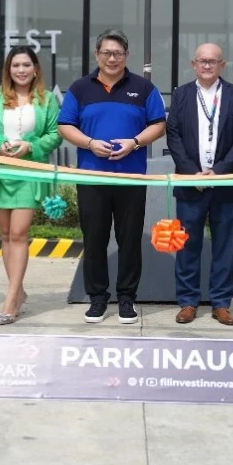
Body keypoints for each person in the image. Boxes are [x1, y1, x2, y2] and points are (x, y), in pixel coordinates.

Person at [58, 29, 166, 325]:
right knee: (94, 239)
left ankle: (127, 298)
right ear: (97, 55)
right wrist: (90, 143)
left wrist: (136, 142)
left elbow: (159, 124)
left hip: (131, 178)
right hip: (92, 177)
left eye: (118, 53)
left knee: (129, 239)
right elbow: (65, 125)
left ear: (126, 56)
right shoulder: (80, 89)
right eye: (106, 52)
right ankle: (97, 299)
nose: (112, 58)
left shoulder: (143, 88)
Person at [0, 46, 61, 325]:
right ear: (8, 69)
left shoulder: (47, 100)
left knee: (20, 233)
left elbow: (55, 134)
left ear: (35, 69)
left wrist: (31, 146)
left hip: (29, 173)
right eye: (15, 65)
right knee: (6, 233)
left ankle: (10, 298)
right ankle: (19, 290)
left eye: (26, 65)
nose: (21, 70)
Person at [165, 43, 233, 326]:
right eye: (202, 61)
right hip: (191, 184)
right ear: (193, 64)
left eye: (212, 61)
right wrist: (192, 173)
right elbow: (173, 135)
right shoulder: (181, 95)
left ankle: (221, 303)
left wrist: (220, 171)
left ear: (222, 65)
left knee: (225, 246)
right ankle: (188, 302)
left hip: (225, 184)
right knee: (188, 246)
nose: (207, 66)